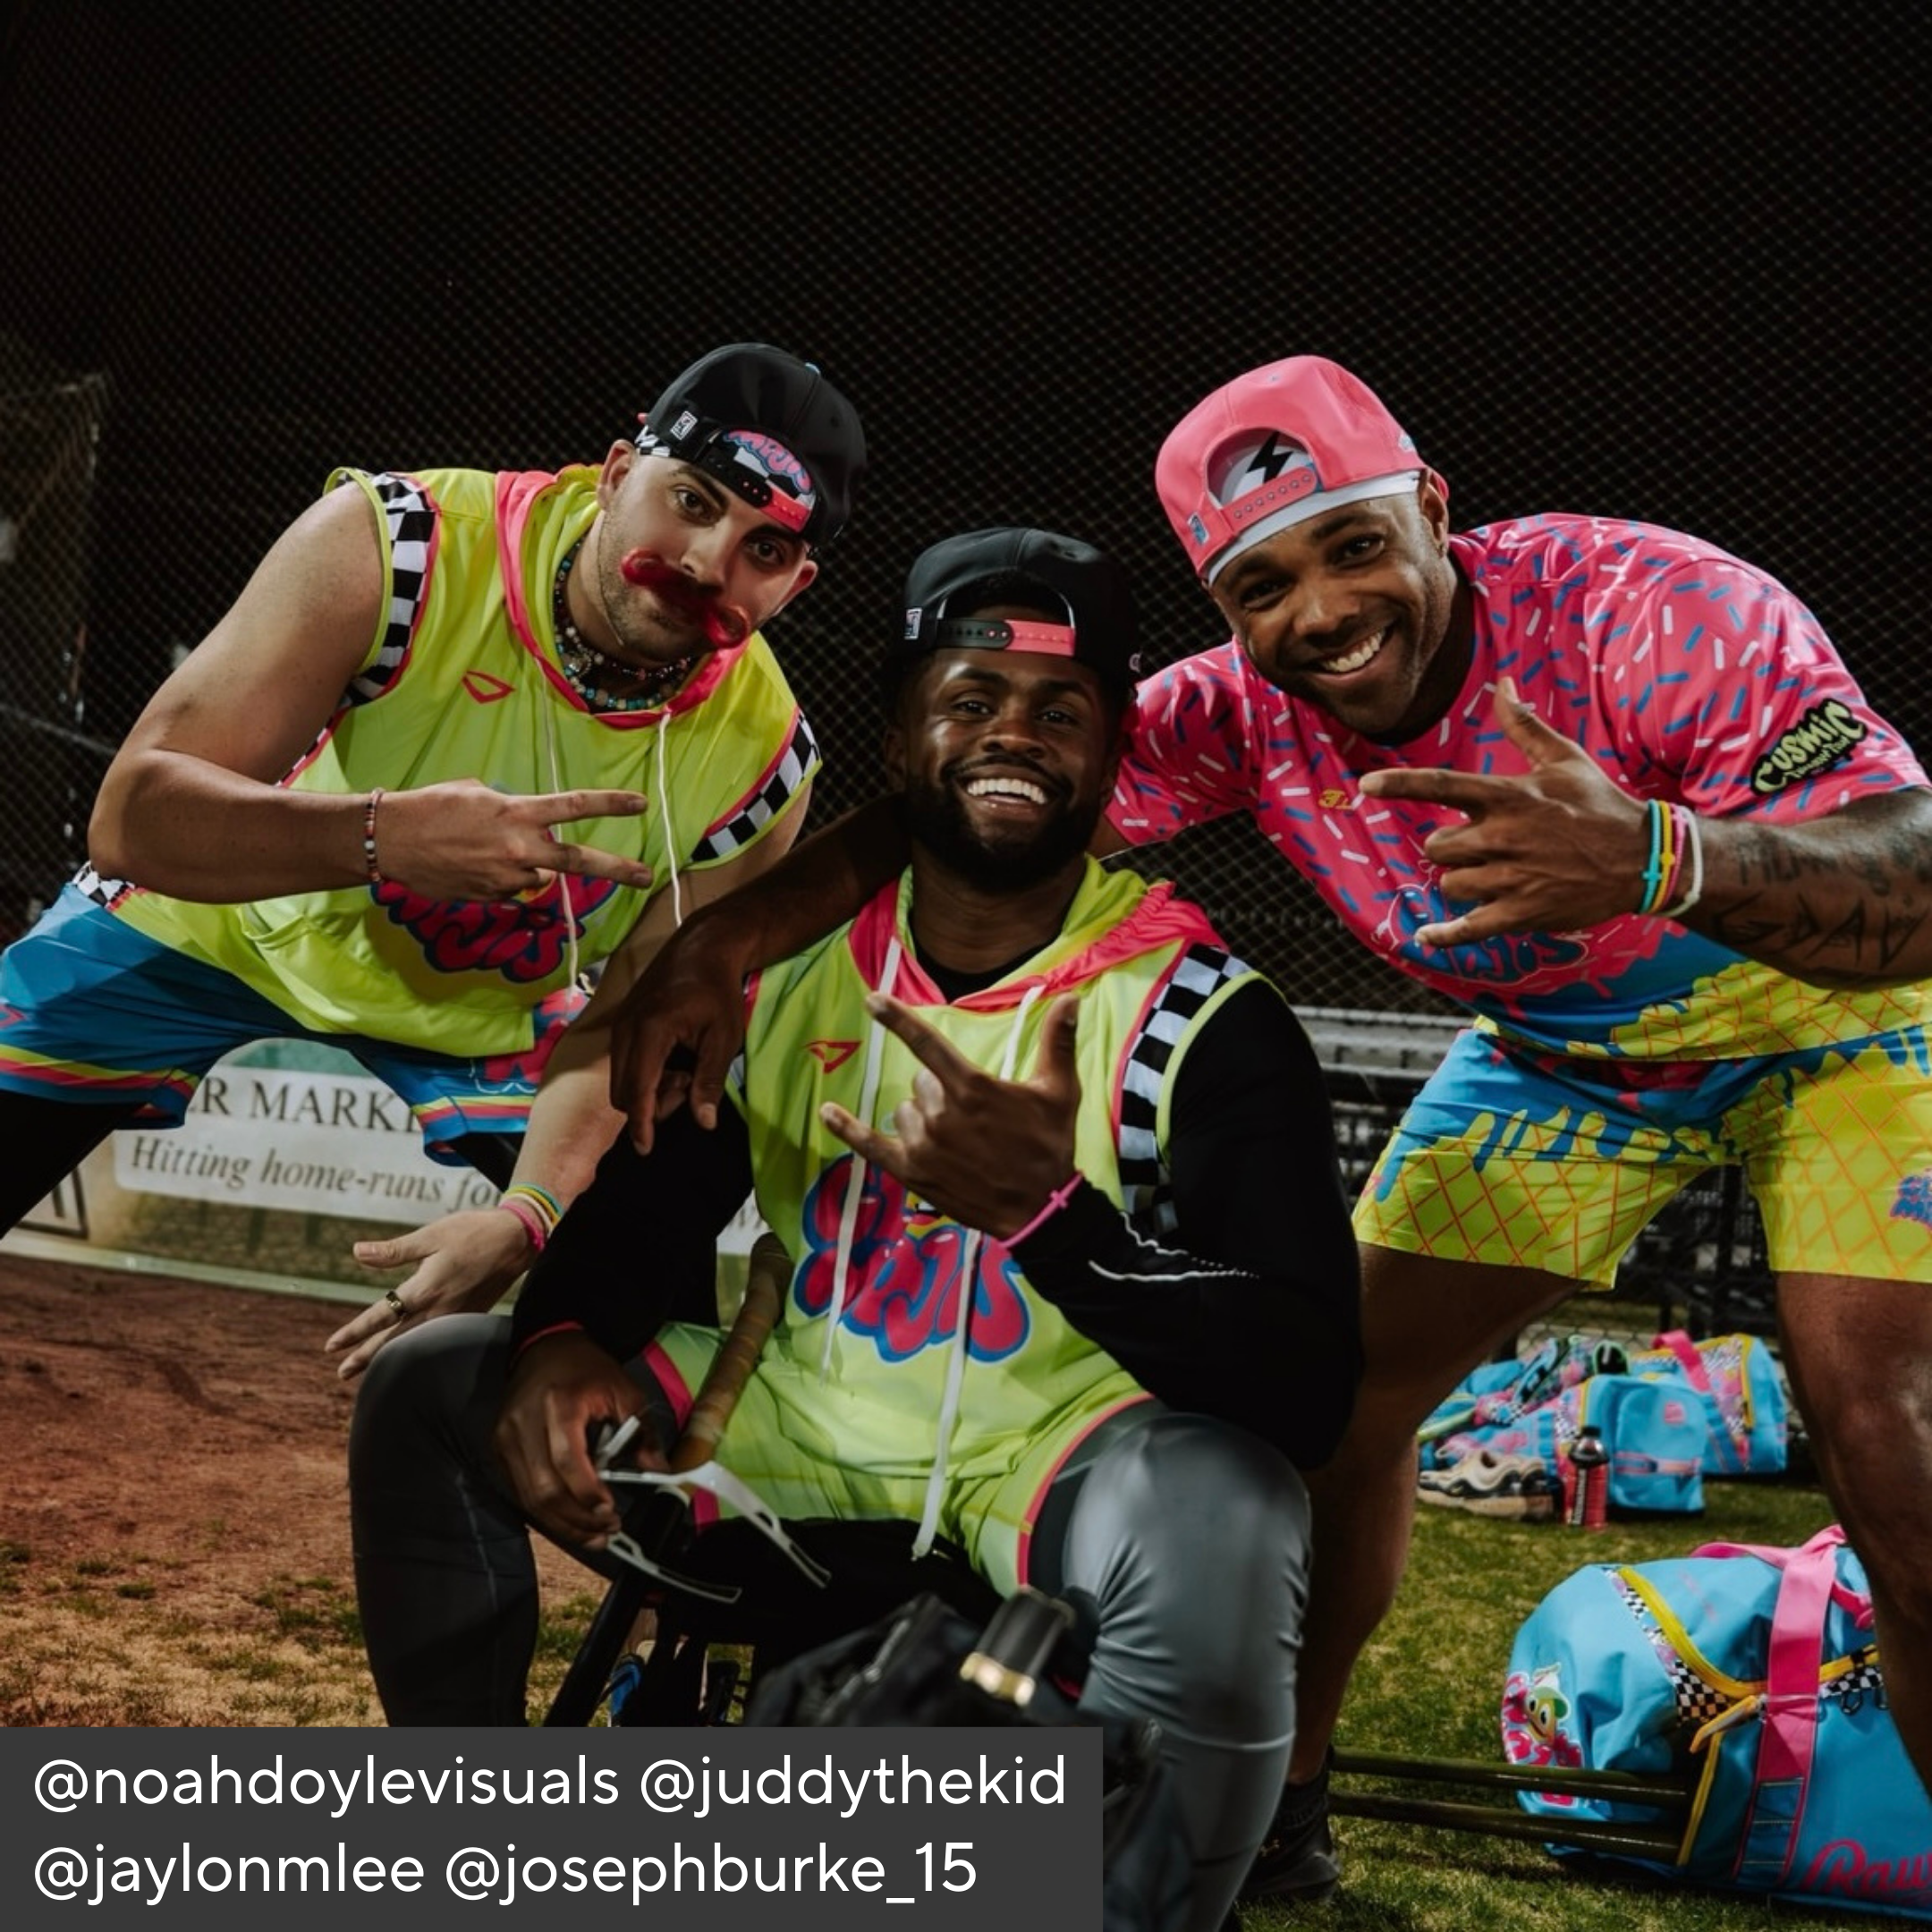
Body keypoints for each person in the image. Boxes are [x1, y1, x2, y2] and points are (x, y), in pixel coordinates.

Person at [602, 356, 1932, 1904]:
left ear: (1432, 507)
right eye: (1261, 586)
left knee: (1893, 1461)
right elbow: (965, 794)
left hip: (1844, 1036)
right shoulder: (1241, 714)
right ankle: (1285, 1800)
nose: (1322, 611)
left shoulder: (1646, 608)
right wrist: (722, 945)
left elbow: (1913, 870)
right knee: (1333, 1403)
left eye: (1356, 546)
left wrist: (1659, 857)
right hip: (1572, 1069)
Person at [349, 527, 1363, 1932]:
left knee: (1227, 1505)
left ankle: (1131, 1902)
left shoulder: (1202, 1016)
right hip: (787, 1447)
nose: (1013, 737)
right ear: (898, 737)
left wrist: (1051, 1219)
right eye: (970, 700)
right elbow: (647, 1210)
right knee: (433, 1387)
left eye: (1060, 713)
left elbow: (1306, 1386)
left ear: (1112, 757)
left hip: (1042, 1483)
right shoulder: (777, 979)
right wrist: (565, 1338)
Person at [0, 342, 863, 1376]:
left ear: (797, 583)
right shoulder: (400, 545)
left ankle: (592, 1468)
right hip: (215, 922)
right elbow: (133, 819)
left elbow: (630, 1017)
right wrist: (384, 838)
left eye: (764, 548)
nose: (707, 563)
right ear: (616, 472)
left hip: (484, 1008)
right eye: (691, 500)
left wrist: (532, 1215)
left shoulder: (766, 759)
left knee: (647, 1260)